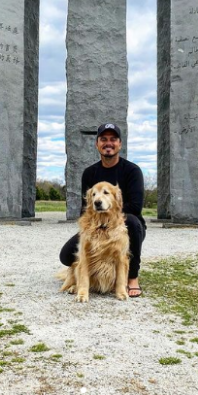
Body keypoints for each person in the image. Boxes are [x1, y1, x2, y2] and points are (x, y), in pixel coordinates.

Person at [59, 123, 146, 298]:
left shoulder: (132, 171)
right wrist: (95, 225)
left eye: (113, 139)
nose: (108, 143)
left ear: (120, 144)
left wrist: (110, 212)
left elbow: (136, 207)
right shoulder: (89, 173)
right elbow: (86, 208)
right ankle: (88, 276)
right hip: (96, 224)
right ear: (97, 144)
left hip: (124, 225)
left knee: (132, 220)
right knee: (66, 256)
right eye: (104, 139)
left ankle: (132, 278)